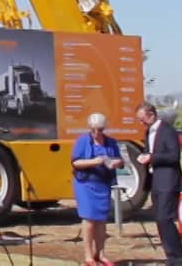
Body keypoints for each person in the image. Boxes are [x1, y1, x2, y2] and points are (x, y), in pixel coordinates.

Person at [136, 102, 182, 265]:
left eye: (142, 119)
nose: (141, 123)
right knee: (160, 220)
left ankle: (178, 259)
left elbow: (174, 156)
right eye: (139, 120)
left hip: (168, 180)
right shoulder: (148, 132)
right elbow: (150, 151)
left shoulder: (167, 131)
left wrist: (152, 157)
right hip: (156, 180)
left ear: (151, 115)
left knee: (165, 219)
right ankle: (171, 257)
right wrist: (144, 156)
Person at [72, 112, 123, 266]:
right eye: (93, 129)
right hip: (85, 184)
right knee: (89, 218)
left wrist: (117, 163)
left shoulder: (111, 142)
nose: (96, 133)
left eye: (100, 129)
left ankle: (100, 253)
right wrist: (95, 161)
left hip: (103, 183)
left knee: (101, 219)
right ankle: (88, 256)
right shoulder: (82, 141)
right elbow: (75, 162)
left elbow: (121, 160)